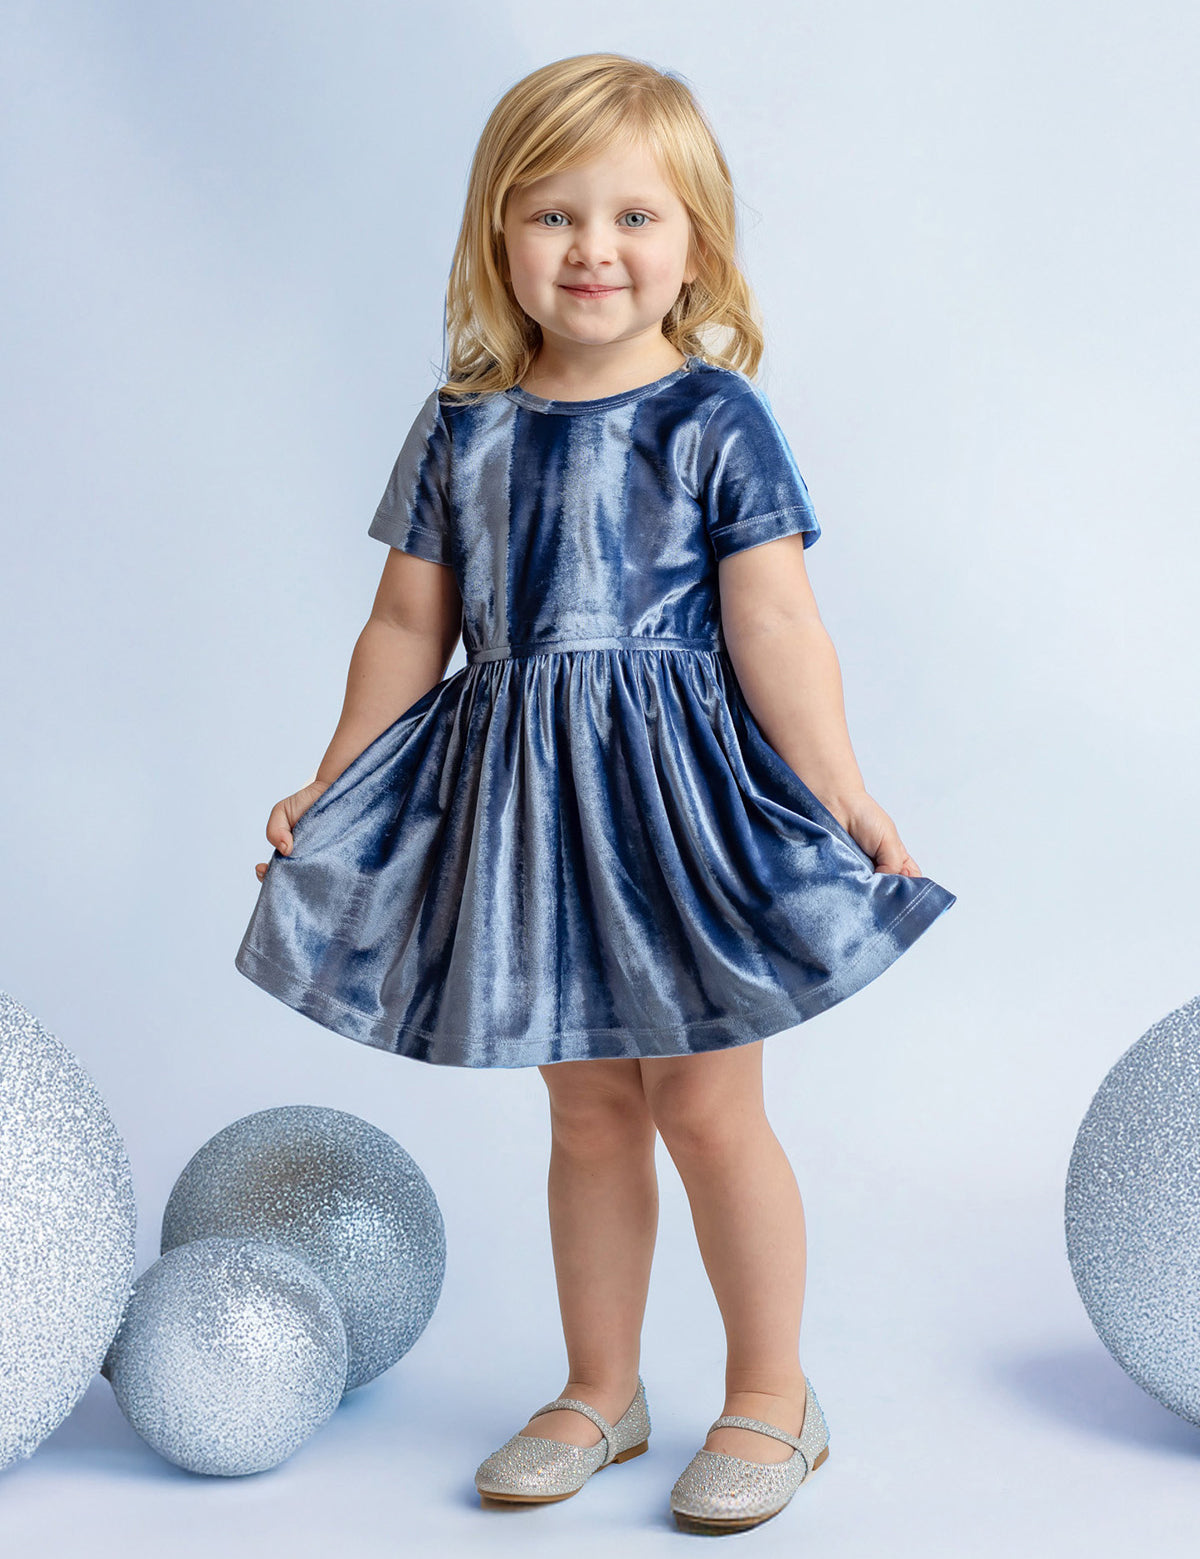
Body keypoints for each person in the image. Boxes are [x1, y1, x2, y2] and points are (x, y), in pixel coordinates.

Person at [234, 52, 956, 1534]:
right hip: (532, 819)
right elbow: (404, 628)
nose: (594, 250)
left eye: (635, 216)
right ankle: (602, 1384)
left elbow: (775, 626)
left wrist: (845, 789)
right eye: (554, 215)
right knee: (584, 1117)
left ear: (697, 240)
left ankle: (771, 1392)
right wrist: (336, 777)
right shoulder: (466, 427)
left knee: (706, 1106)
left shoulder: (715, 421)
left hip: (683, 812)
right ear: (499, 236)